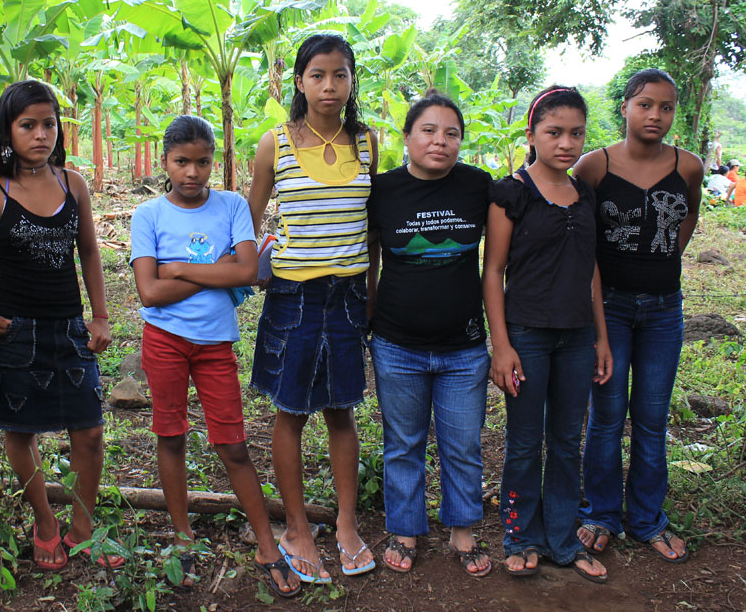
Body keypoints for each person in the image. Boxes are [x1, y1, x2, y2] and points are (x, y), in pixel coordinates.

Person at [129, 115, 301, 598]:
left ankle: (267, 543)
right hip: (163, 342)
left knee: (233, 445)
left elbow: (248, 271)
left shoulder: (230, 207)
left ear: (213, 162)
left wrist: (179, 267)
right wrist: (216, 268)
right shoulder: (149, 216)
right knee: (172, 435)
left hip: (215, 346)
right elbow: (148, 291)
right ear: (165, 161)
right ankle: (182, 537)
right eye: (182, 162)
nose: (192, 172)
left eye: (202, 162)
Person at [0, 80, 121, 572]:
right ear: (6, 131)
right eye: (28, 125)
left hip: (68, 328)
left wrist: (99, 315)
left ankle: (82, 527)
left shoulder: (72, 183)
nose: (40, 135)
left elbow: (91, 252)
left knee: (91, 432)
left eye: (49, 124)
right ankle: (45, 522)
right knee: (20, 431)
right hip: (14, 332)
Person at [247, 33, 378, 583]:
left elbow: (372, 234)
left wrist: (372, 295)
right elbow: (246, 223)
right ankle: (297, 527)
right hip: (294, 298)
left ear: (351, 81)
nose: (330, 85)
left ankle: (346, 524)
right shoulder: (273, 144)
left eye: (341, 74)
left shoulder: (368, 143)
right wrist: (240, 271)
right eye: (318, 74)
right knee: (291, 412)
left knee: (342, 410)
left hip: (349, 298)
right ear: (298, 82)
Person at [482, 85, 612, 584]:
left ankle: (561, 539)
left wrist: (600, 336)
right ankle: (519, 536)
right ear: (532, 134)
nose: (566, 143)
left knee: (565, 440)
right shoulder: (511, 191)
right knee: (523, 443)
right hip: (528, 335)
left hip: (577, 337)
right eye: (554, 132)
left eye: (576, 133)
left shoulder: (585, 194)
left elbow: (591, 269)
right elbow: (493, 271)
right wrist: (503, 345)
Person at [575, 68, 703, 563]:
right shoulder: (594, 166)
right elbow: (580, 236)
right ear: (625, 106)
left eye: (666, 107)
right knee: (606, 417)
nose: (656, 115)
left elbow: (687, 214)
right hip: (608, 310)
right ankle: (601, 513)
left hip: (664, 311)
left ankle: (648, 517)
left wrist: (669, 252)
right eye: (646, 104)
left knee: (651, 417)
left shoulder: (688, 167)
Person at [367, 91, 492, 577]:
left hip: (465, 347)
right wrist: (370, 317)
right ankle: (405, 527)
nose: (440, 141)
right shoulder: (383, 190)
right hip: (397, 344)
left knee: (463, 442)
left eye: (451, 133)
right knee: (403, 442)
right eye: (429, 130)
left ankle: (462, 527)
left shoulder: (480, 187)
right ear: (407, 136)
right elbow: (369, 259)